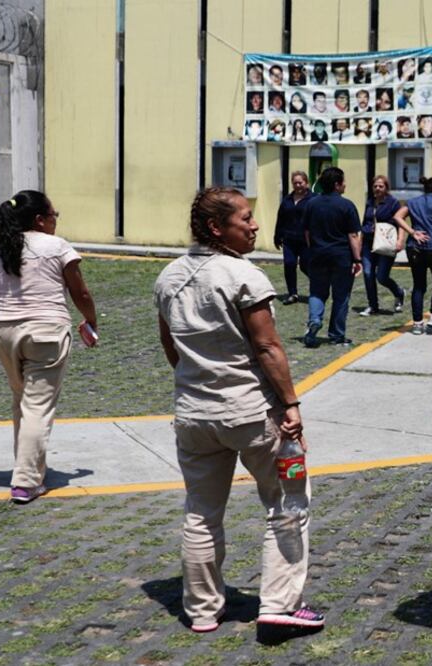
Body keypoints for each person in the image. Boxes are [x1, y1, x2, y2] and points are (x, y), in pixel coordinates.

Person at [154, 187, 325, 634]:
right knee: (287, 501)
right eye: (245, 218)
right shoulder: (242, 275)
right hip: (251, 411)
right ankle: (281, 602)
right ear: (217, 228)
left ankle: (203, 610)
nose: (254, 226)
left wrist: (199, 380)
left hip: (194, 413)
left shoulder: (168, 277)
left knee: (201, 511)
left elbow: (171, 348)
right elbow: (267, 346)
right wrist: (290, 402)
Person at [0, 190, 98, 504]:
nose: (56, 221)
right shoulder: (56, 246)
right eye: (55, 215)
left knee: (23, 400)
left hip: (4, 332)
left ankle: (26, 465)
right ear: (40, 220)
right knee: (38, 407)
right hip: (46, 332)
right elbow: (79, 291)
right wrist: (91, 320)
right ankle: (27, 482)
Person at [302, 167, 363, 347]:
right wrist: (357, 259)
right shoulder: (347, 206)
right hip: (341, 256)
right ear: (337, 185)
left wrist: (312, 248)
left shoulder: (311, 204)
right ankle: (336, 334)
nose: (345, 185)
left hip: (317, 254)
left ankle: (314, 319)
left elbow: (306, 232)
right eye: (343, 182)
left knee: (317, 292)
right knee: (341, 296)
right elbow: (353, 235)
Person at [394, 177, 432, 335]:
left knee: (419, 285)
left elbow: (397, 217)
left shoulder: (413, 202)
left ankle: (417, 323)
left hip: (415, 248)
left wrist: (412, 232)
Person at [359, 175, 407, 316]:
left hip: (385, 244)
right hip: (368, 243)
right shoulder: (370, 201)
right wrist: (360, 242)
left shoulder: (393, 203)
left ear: (386, 188)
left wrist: (400, 241)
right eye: (375, 186)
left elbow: (401, 223)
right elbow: (365, 222)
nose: (378, 188)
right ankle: (373, 305)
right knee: (368, 274)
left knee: (382, 277)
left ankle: (399, 293)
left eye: (381, 186)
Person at [274, 171, 314, 305]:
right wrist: (277, 235)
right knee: (289, 264)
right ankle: (292, 293)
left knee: (305, 265)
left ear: (306, 183)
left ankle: (318, 287)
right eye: (295, 183)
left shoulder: (313, 199)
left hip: (306, 239)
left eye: (300, 182)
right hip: (289, 238)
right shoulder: (287, 199)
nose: (298, 185)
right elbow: (281, 218)